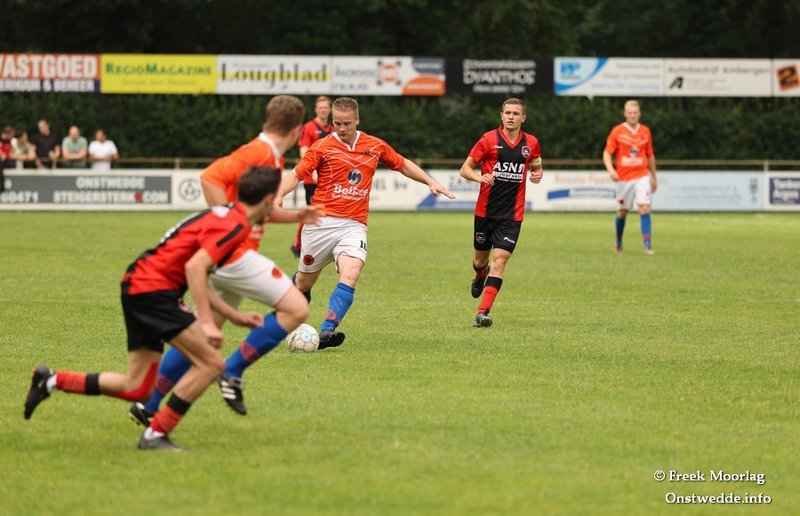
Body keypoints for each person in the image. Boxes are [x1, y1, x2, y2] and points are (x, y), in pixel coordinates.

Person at [23, 166, 283, 451]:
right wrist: (207, 322)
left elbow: (199, 272)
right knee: (212, 364)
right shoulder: (237, 225)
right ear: (268, 201)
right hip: (153, 290)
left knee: (138, 387)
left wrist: (234, 316)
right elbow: (194, 268)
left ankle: (51, 380)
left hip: (139, 284)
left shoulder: (225, 214)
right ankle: (155, 434)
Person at [130, 95, 318, 421]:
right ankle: (232, 370)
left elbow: (253, 210)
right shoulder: (260, 152)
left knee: (201, 338)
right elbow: (210, 177)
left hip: (227, 256)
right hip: (234, 255)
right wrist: (226, 229)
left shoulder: (270, 155)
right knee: (296, 308)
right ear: (296, 130)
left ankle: (149, 405)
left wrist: (298, 215)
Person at [275, 96, 455, 348]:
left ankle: (327, 331)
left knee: (351, 273)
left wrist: (430, 181)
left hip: (354, 225)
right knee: (304, 282)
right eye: (337, 123)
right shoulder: (322, 147)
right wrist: (279, 195)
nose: (341, 128)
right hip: (321, 224)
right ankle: (285, 314)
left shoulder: (374, 145)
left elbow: (402, 164)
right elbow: (296, 175)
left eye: (347, 123)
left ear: (357, 120)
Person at [459, 98, 543, 328]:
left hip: (512, 215)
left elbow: (536, 164)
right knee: (480, 261)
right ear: (501, 116)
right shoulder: (488, 140)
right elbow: (465, 169)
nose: (511, 116)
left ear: (523, 118)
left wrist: (538, 173)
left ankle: (482, 313)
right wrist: (480, 177)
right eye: (507, 113)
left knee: (500, 261)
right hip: (485, 213)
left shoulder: (531, 143)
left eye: (516, 113)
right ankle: (480, 275)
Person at [602, 100, 658, 255]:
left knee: (644, 207)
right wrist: (611, 170)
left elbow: (650, 156)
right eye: (629, 113)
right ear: (625, 114)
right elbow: (607, 153)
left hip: (642, 175)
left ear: (639, 114)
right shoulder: (617, 131)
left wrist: (654, 177)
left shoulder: (645, 131)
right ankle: (618, 241)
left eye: (635, 113)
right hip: (623, 178)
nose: (632, 115)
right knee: (622, 212)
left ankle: (647, 246)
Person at [290, 95, 333, 257]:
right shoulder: (308, 127)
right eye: (320, 107)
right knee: (312, 211)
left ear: (329, 109)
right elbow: (304, 152)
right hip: (312, 179)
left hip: (328, 179)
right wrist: (313, 171)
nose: (323, 110)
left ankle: (320, 243)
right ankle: (298, 245)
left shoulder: (333, 129)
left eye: (326, 107)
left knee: (326, 212)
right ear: (316, 109)